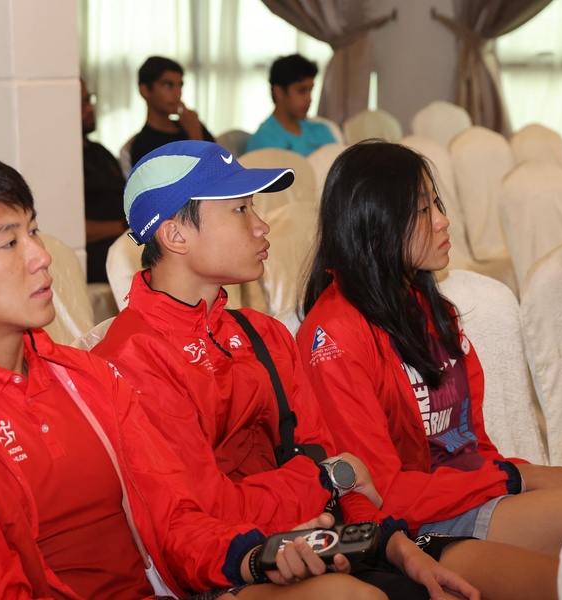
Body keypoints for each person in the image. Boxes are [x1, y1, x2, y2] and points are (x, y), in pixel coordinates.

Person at [0, 151, 386, 599]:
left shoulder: (86, 378)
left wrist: (253, 558)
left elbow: (176, 519)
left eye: (34, 231)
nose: (43, 256)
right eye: (9, 243)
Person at [93, 140, 482, 600]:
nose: (261, 226)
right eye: (240, 210)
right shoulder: (130, 360)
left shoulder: (264, 334)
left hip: (314, 542)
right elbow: (196, 520)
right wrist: (322, 478)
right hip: (228, 570)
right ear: (175, 235)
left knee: (470, 579)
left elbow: (341, 471)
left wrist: (399, 548)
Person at [298, 140, 562, 597]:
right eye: (422, 212)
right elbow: (377, 491)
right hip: (414, 522)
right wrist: (518, 478)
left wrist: (516, 476)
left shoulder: (429, 306)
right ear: (375, 228)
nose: (443, 221)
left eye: (436, 203)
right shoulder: (334, 336)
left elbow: (470, 444)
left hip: (466, 495)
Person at [81, 78, 126, 283]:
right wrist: (122, 227)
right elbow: (71, 227)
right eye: (81, 103)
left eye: (88, 100)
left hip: (127, 237)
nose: (89, 109)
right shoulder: (63, 164)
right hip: (98, 251)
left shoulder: (101, 153)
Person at [130, 56, 214, 166]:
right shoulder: (143, 145)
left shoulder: (190, 124)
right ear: (145, 90)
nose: (177, 93)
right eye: (167, 85)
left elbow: (222, 166)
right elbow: (197, 178)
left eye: (180, 86)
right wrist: (195, 135)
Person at [245, 54, 336, 157]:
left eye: (311, 90)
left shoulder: (321, 130)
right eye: (301, 91)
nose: (309, 98)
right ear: (279, 92)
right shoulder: (264, 140)